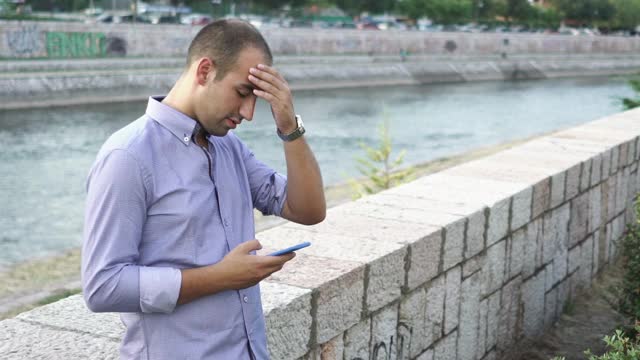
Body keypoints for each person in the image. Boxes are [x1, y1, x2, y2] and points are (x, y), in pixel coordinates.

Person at [81, 19, 326, 360]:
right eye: (242, 93)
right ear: (205, 71)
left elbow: (307, 210)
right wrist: (220, 277)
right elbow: (102, 286)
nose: (248, 113)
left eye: (256, 99)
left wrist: (289, 126)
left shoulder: (230, 149)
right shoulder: (128, 156)